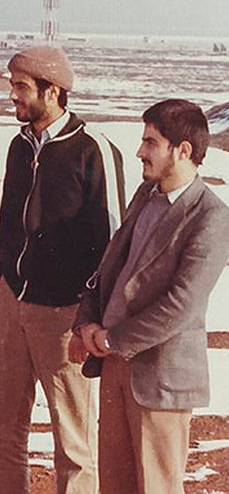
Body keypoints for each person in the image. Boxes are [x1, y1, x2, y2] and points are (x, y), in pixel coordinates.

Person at [0, 46, 125, 494]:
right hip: (11, 303)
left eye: (21, 87)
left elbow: (113, 245)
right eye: (12, 85)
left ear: (53, 91)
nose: (13, 95)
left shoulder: (93, 149)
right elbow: (7, 228)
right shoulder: (19, 146)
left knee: (73, 441)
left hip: (66, 314)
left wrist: (91, 318)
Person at [75, 98, 229, 494]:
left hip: (160, 378)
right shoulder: (145, 195)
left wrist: (113, 339)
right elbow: (111, 265)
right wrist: (87, 322)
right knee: (115, 486)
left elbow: (182, 304)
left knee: (156, 487)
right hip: (115, 366)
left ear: (183, 151)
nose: (140, 151)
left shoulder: (211, 217)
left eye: (151, 142)